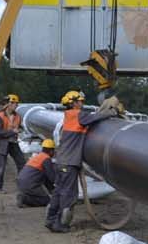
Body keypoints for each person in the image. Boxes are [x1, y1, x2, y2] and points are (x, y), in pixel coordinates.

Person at [45, 89, 123, 232]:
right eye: (79, 101)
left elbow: (89, 120)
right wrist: (112, 112)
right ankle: (61, 225)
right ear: (73, 103)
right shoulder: (78, 115)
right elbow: (95, 117)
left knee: (58, 192)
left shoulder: (69, 115)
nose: (82, 103)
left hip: (61, 161)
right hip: (69, 163)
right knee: (69, 194)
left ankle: (50, 220)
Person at [0, 95, 25, 191]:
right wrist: (12, 132)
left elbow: (19, 126)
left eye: (17, 104)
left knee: (22, 163)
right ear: (9, 104)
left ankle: (22, 185)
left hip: (13, 142)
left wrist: (20, 129)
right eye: (15, 103)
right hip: (2, 144)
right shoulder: (0, 116)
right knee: (0, 166)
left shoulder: (17, 116)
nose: (16, 105)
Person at [17, 138, 57, 207]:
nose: (54, 153)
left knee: (42, 197)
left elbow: (47, 180)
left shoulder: (38, 157)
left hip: (21, 182)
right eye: (54, 151)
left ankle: (25, 197)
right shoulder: (46, 159)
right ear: (51, 151)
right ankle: (25, 199)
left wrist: (54, 192)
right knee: (47, 201)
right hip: (29, 184)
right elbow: (52, 178)